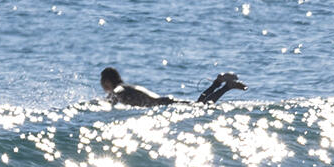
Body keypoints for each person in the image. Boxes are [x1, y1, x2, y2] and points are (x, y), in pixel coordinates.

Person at [100, 68, 246, 108]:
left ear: (107, 81)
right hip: (164, 101)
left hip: (163, 104)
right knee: (199, 104)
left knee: (201, 106)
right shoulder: (126, 86)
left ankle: (225, 87)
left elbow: (116, 94)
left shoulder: (120, 89)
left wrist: (106, 103)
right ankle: (218, 84)